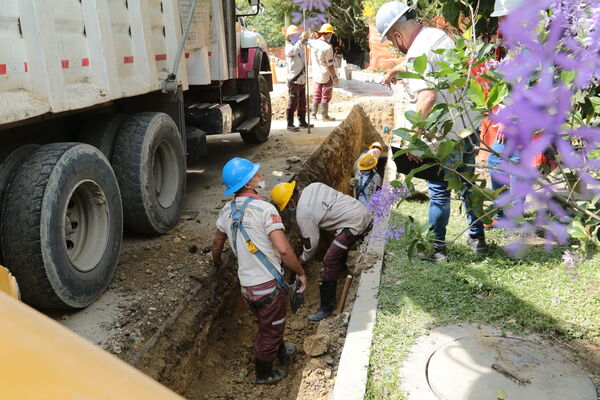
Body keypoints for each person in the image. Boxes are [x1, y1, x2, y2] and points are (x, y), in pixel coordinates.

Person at [376, 1, 487, 263]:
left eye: (394, 42)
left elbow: (427, 96)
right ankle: (477, 240)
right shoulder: (438, 36)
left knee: (439, 191)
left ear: (397, 35)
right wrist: (395, 68)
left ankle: (437, 250)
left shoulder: (418, 51)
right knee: (468, 186)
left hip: (446, 136)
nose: (396, 46)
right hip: (467, 127)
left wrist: (413, 141)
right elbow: (426, 64)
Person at [211, 157, 307, 384]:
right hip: (269, 288)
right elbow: (283, 249)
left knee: (271, 324)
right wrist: (300, 272)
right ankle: (263, 374)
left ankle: (282, 353)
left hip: (248, 289)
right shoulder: (265, 209)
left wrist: (217, 262)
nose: (261, 176)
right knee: (270, 332)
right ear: (247, 184)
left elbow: (216, 246)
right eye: (256, 174)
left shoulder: (226, 211)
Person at [271, 181, 372, 322]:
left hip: (354, 224)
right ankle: (342, 270)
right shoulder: (313, 186)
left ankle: (326, 308)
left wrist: (303, 259)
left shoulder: (303, 213)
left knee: (330, 260)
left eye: (287, 206)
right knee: (336, 247)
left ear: (291, 202)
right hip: (361, 210)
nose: (289, 208)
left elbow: (312, 244)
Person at [308, 23, 339, 121]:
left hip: (316, 74)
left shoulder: (313, 43)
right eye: (331, 34)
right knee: (326, 94)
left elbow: (308, 41)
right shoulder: (328, 47)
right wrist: (334, 76)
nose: (331, 36)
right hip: (325, 74)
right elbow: (330, 65)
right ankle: (324, 115)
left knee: (317, 94)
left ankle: (313, 115)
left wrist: (312, 37)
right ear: (329, 34)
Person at [284, 25, 312, 132]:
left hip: (302, 78)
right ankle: (290, 123)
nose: (297, 36)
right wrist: (301, 41)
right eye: (295, 34)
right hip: (294, 79)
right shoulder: (289, 47)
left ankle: (302, 121)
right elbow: (293, 52)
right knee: (293, 102)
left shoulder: (300, 46)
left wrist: (307, 39)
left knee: (302, 102)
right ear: (290, 36)